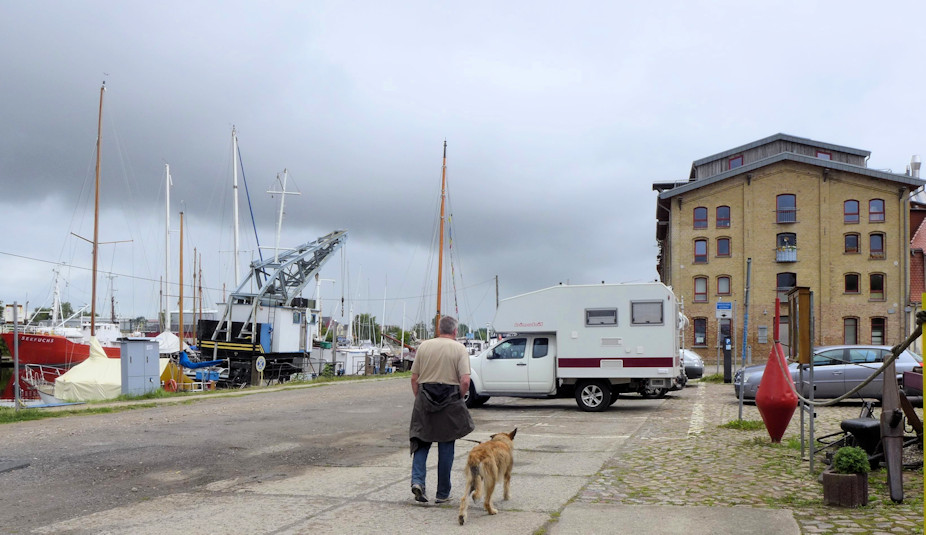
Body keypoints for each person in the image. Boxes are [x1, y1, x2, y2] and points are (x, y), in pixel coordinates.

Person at [408, 315, 475, 504]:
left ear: (439, 330)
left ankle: (418, 481)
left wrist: (419, 398)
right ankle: (442, 493)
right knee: (446, 446)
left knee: (421, 441)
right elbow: (465, 381)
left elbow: (414, 378)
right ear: (455, 331)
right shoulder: (459, 349)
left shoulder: (424, 346)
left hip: (425, 396)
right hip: (450, 397)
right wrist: (459, 397)